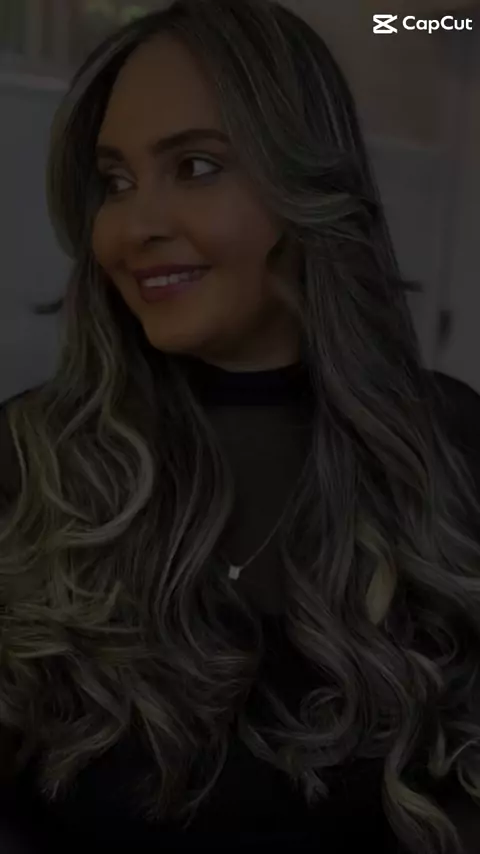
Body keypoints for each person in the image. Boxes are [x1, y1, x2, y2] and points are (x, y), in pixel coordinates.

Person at [1, 1, 480, 852]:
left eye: (194, 166)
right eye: (115, 182)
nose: (135, 227)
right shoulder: (27, 462)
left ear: (308, 189)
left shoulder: (452, 451)